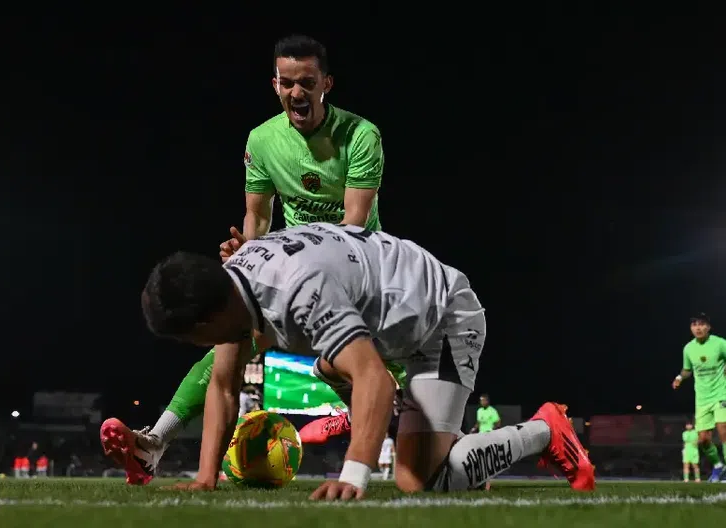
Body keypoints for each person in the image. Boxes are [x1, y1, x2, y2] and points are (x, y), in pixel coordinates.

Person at [108, 223, 595, 499]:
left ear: (206, 320)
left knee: (419, 480)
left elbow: (373, 379)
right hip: (391, 322)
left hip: (442, 320)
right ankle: (437, 440)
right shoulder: (233, 284)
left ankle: (545, 431)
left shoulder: (296, 292)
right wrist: (206, 477)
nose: (199, 347)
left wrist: (353, 476)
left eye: (191, 338)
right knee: (327, 365)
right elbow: (222, 384)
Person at [100, 34, 392, 482]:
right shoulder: (262, 140)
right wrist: (249, 256)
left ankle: (415, 434)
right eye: (287, 82)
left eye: (307, 82)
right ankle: (154, 443)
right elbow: (256, 217)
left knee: (395, 398)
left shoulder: (361, 135)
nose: (297, 92)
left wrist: (274, 258)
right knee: (230, 335)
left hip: (359, 274)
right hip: (294, 270)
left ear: (326, 84)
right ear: (275, 85)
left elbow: (352, 226)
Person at [672, 312, 726, 481]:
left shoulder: (720, 343)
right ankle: (718, 466)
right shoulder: (688, 348)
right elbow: (687, 369)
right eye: (694, 325)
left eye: (701, 324)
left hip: (721, 394)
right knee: (703, 440)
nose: (698, 328)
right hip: (702, 399)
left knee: (723, 430)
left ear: (708, 327)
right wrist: (679, 378)